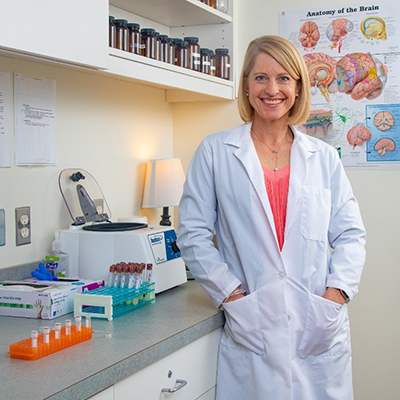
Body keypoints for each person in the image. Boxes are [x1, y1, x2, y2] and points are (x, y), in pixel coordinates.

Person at [177, 35, 366, 400]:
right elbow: (192, 233)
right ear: (246, 85)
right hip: (253, 324)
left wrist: (335, 295)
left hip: (317, 326)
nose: (272, 89)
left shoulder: (322, 157)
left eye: (283, 78)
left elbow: (351, 235)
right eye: (260, 78)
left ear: (298, 87)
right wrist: (231, 295)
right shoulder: (216, 151)